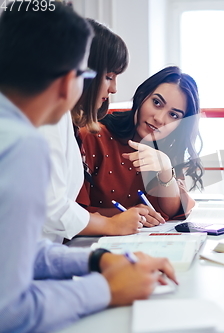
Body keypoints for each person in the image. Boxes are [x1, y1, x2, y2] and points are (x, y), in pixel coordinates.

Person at [0, 4, 176, 333]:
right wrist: (107, 289)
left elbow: (19, 249)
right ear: (70, 82)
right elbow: (9, 310)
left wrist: (98, 260)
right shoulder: (23, 142)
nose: (111, 89)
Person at [39, 19, 149, 243]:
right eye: (108, 76)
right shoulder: (50, 119)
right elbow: (51, 208)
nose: (114, 88)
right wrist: (111, 224)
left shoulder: (65, 120)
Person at [76, 66, 202, 223]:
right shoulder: (93, 135)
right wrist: (124, 215)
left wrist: (165, 170)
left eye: (174, 115)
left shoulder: (167, 147)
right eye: (156, 102)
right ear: (142, 95)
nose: (159, 118)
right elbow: (71, 211)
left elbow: (174, 210)